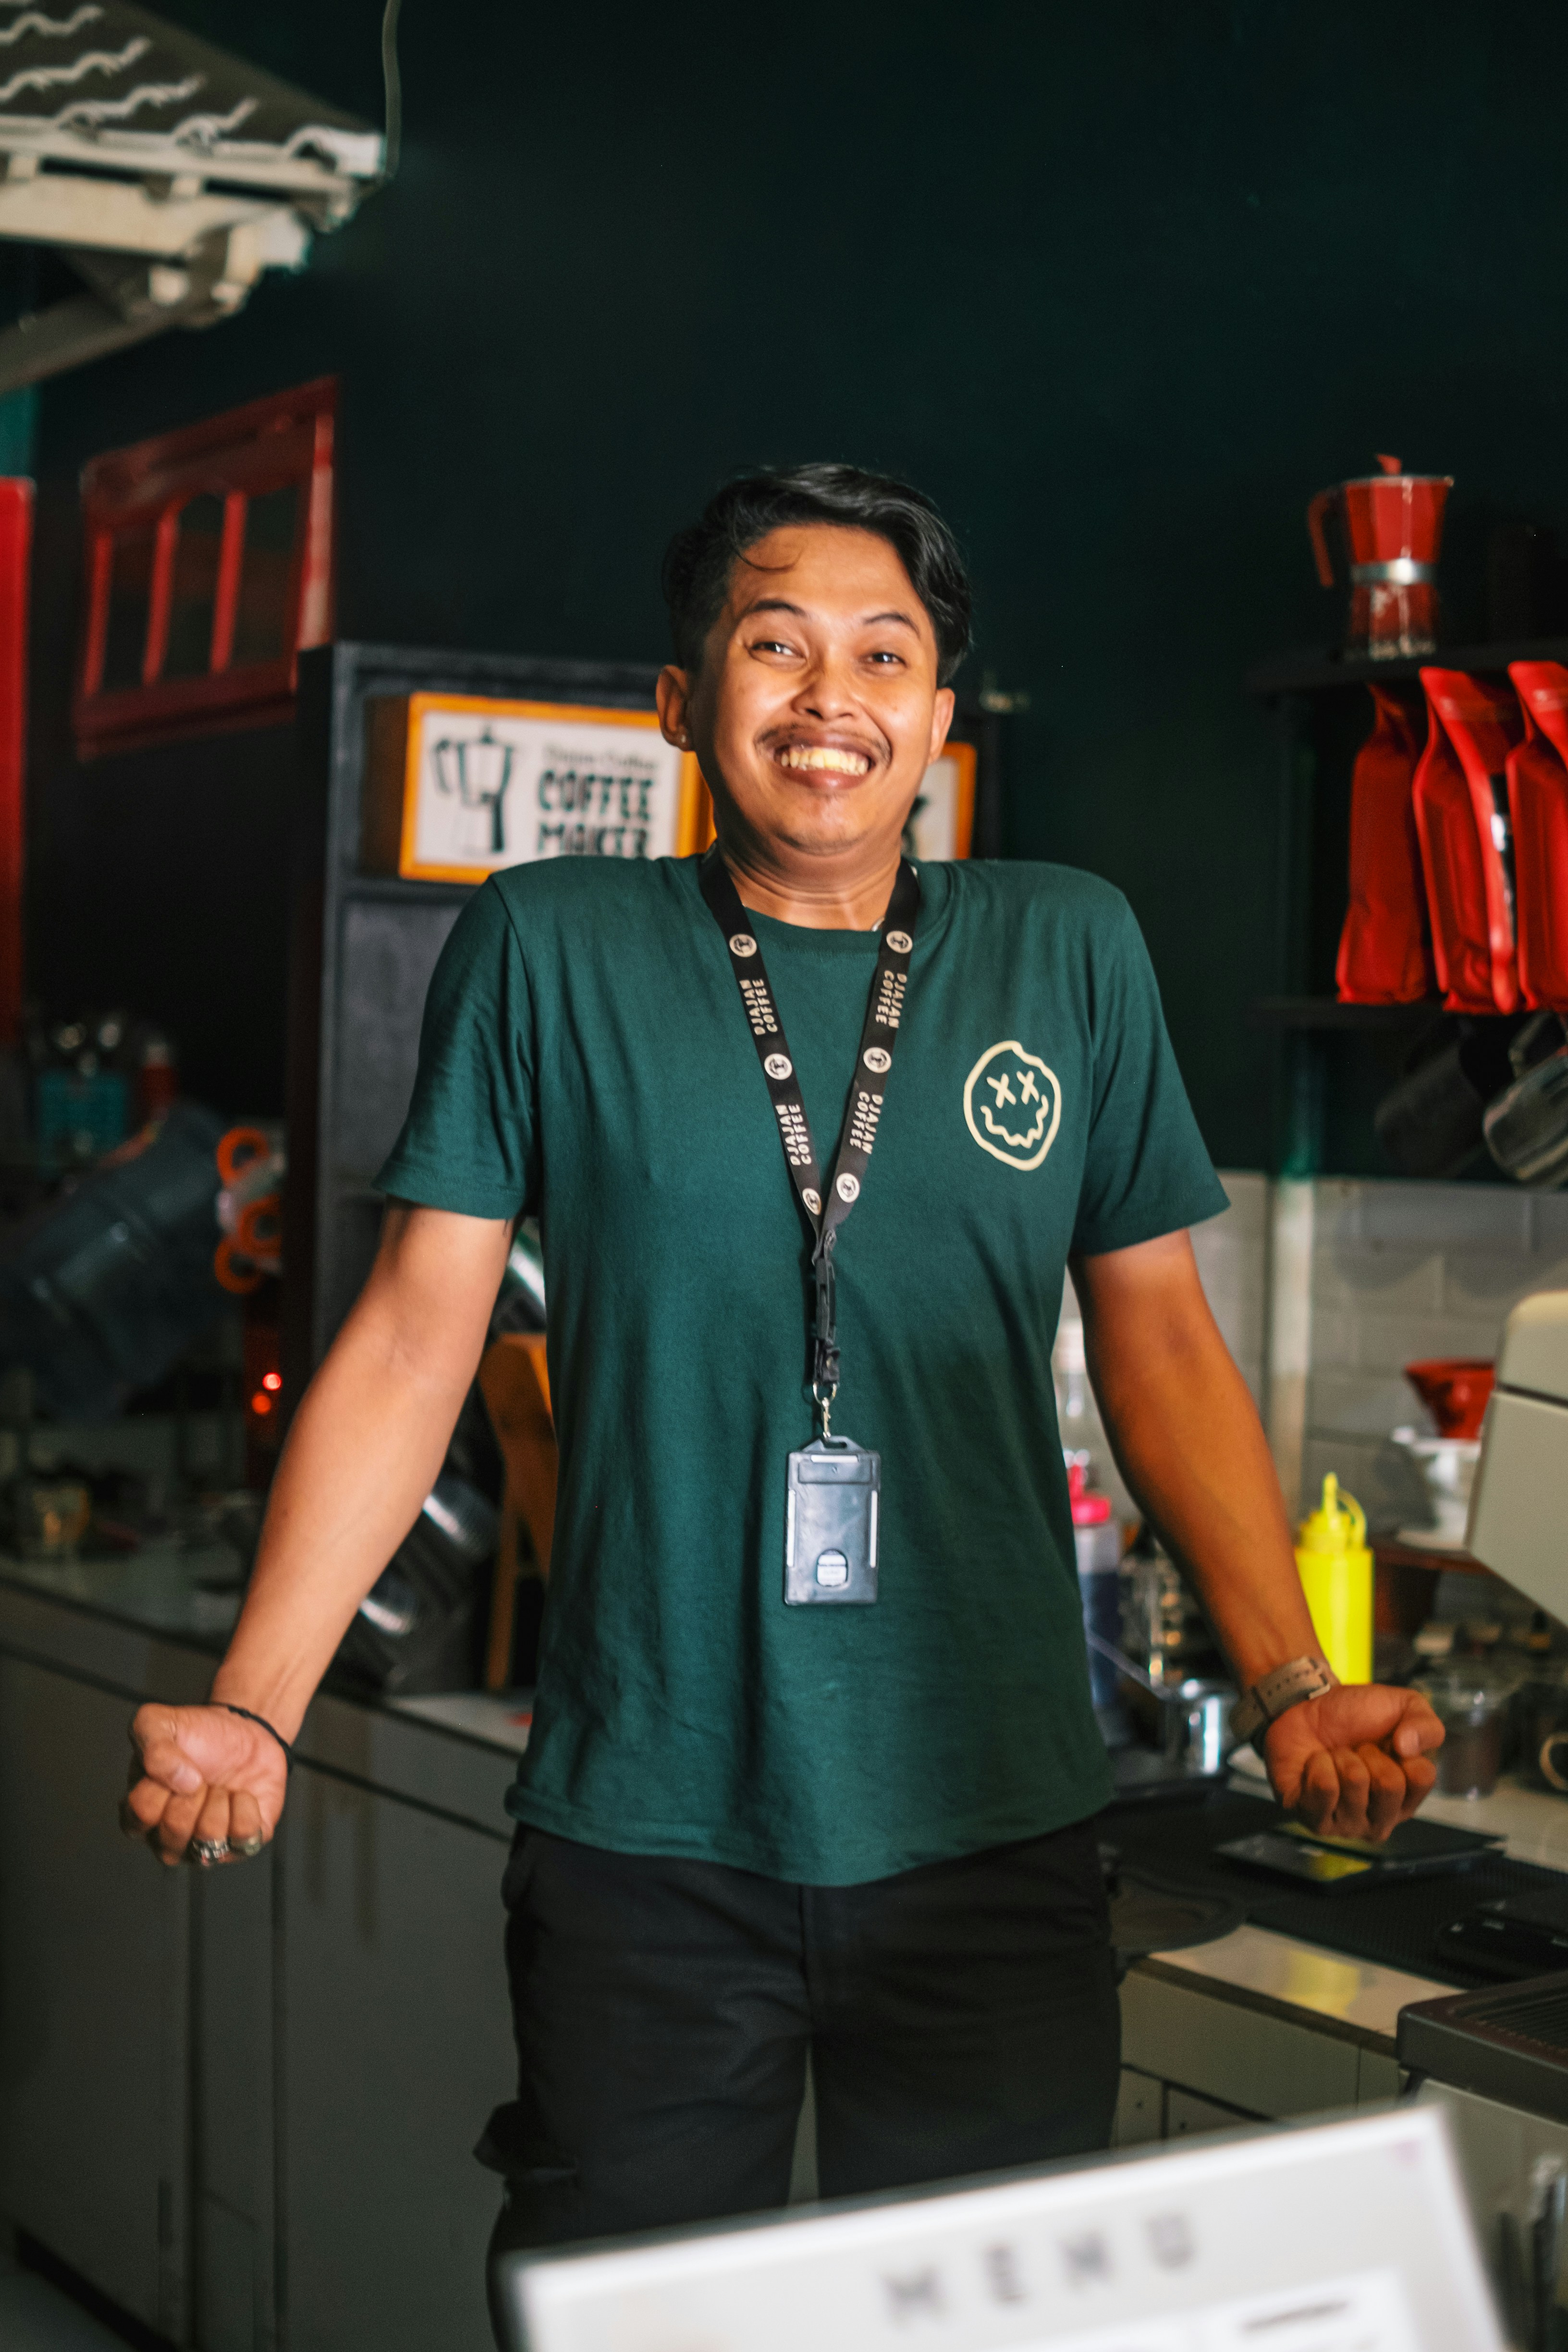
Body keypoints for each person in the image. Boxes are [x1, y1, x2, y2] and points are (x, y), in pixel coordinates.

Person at [123, 463, 1442, 2288]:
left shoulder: (1068, 947)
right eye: (777, 646)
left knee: (987, 2332)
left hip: (992, 1822)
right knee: (637, 2318)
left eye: (885, 656)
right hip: (650, 1831)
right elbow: (419, 1336)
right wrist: (259, 1705)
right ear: (684, 702)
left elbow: (1160, 1342)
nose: (834, 698)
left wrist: (1292, 1681)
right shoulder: (548, 948)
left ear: (940, 717)